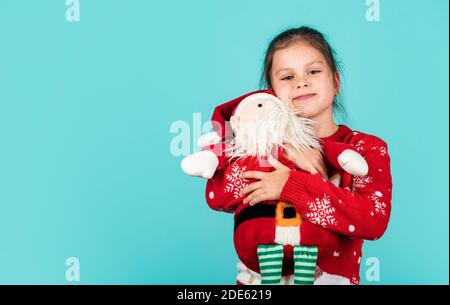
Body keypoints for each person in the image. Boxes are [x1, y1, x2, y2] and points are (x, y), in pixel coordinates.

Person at [235, 26, 393, 285]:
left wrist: (290, 185)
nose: (301, 82)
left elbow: (373, 218)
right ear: (271, 95)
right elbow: (223, 192)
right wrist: (285, 149)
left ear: (336, 82)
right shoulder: (257, 145)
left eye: (314, 71)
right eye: (287, 77)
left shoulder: (364, 149)